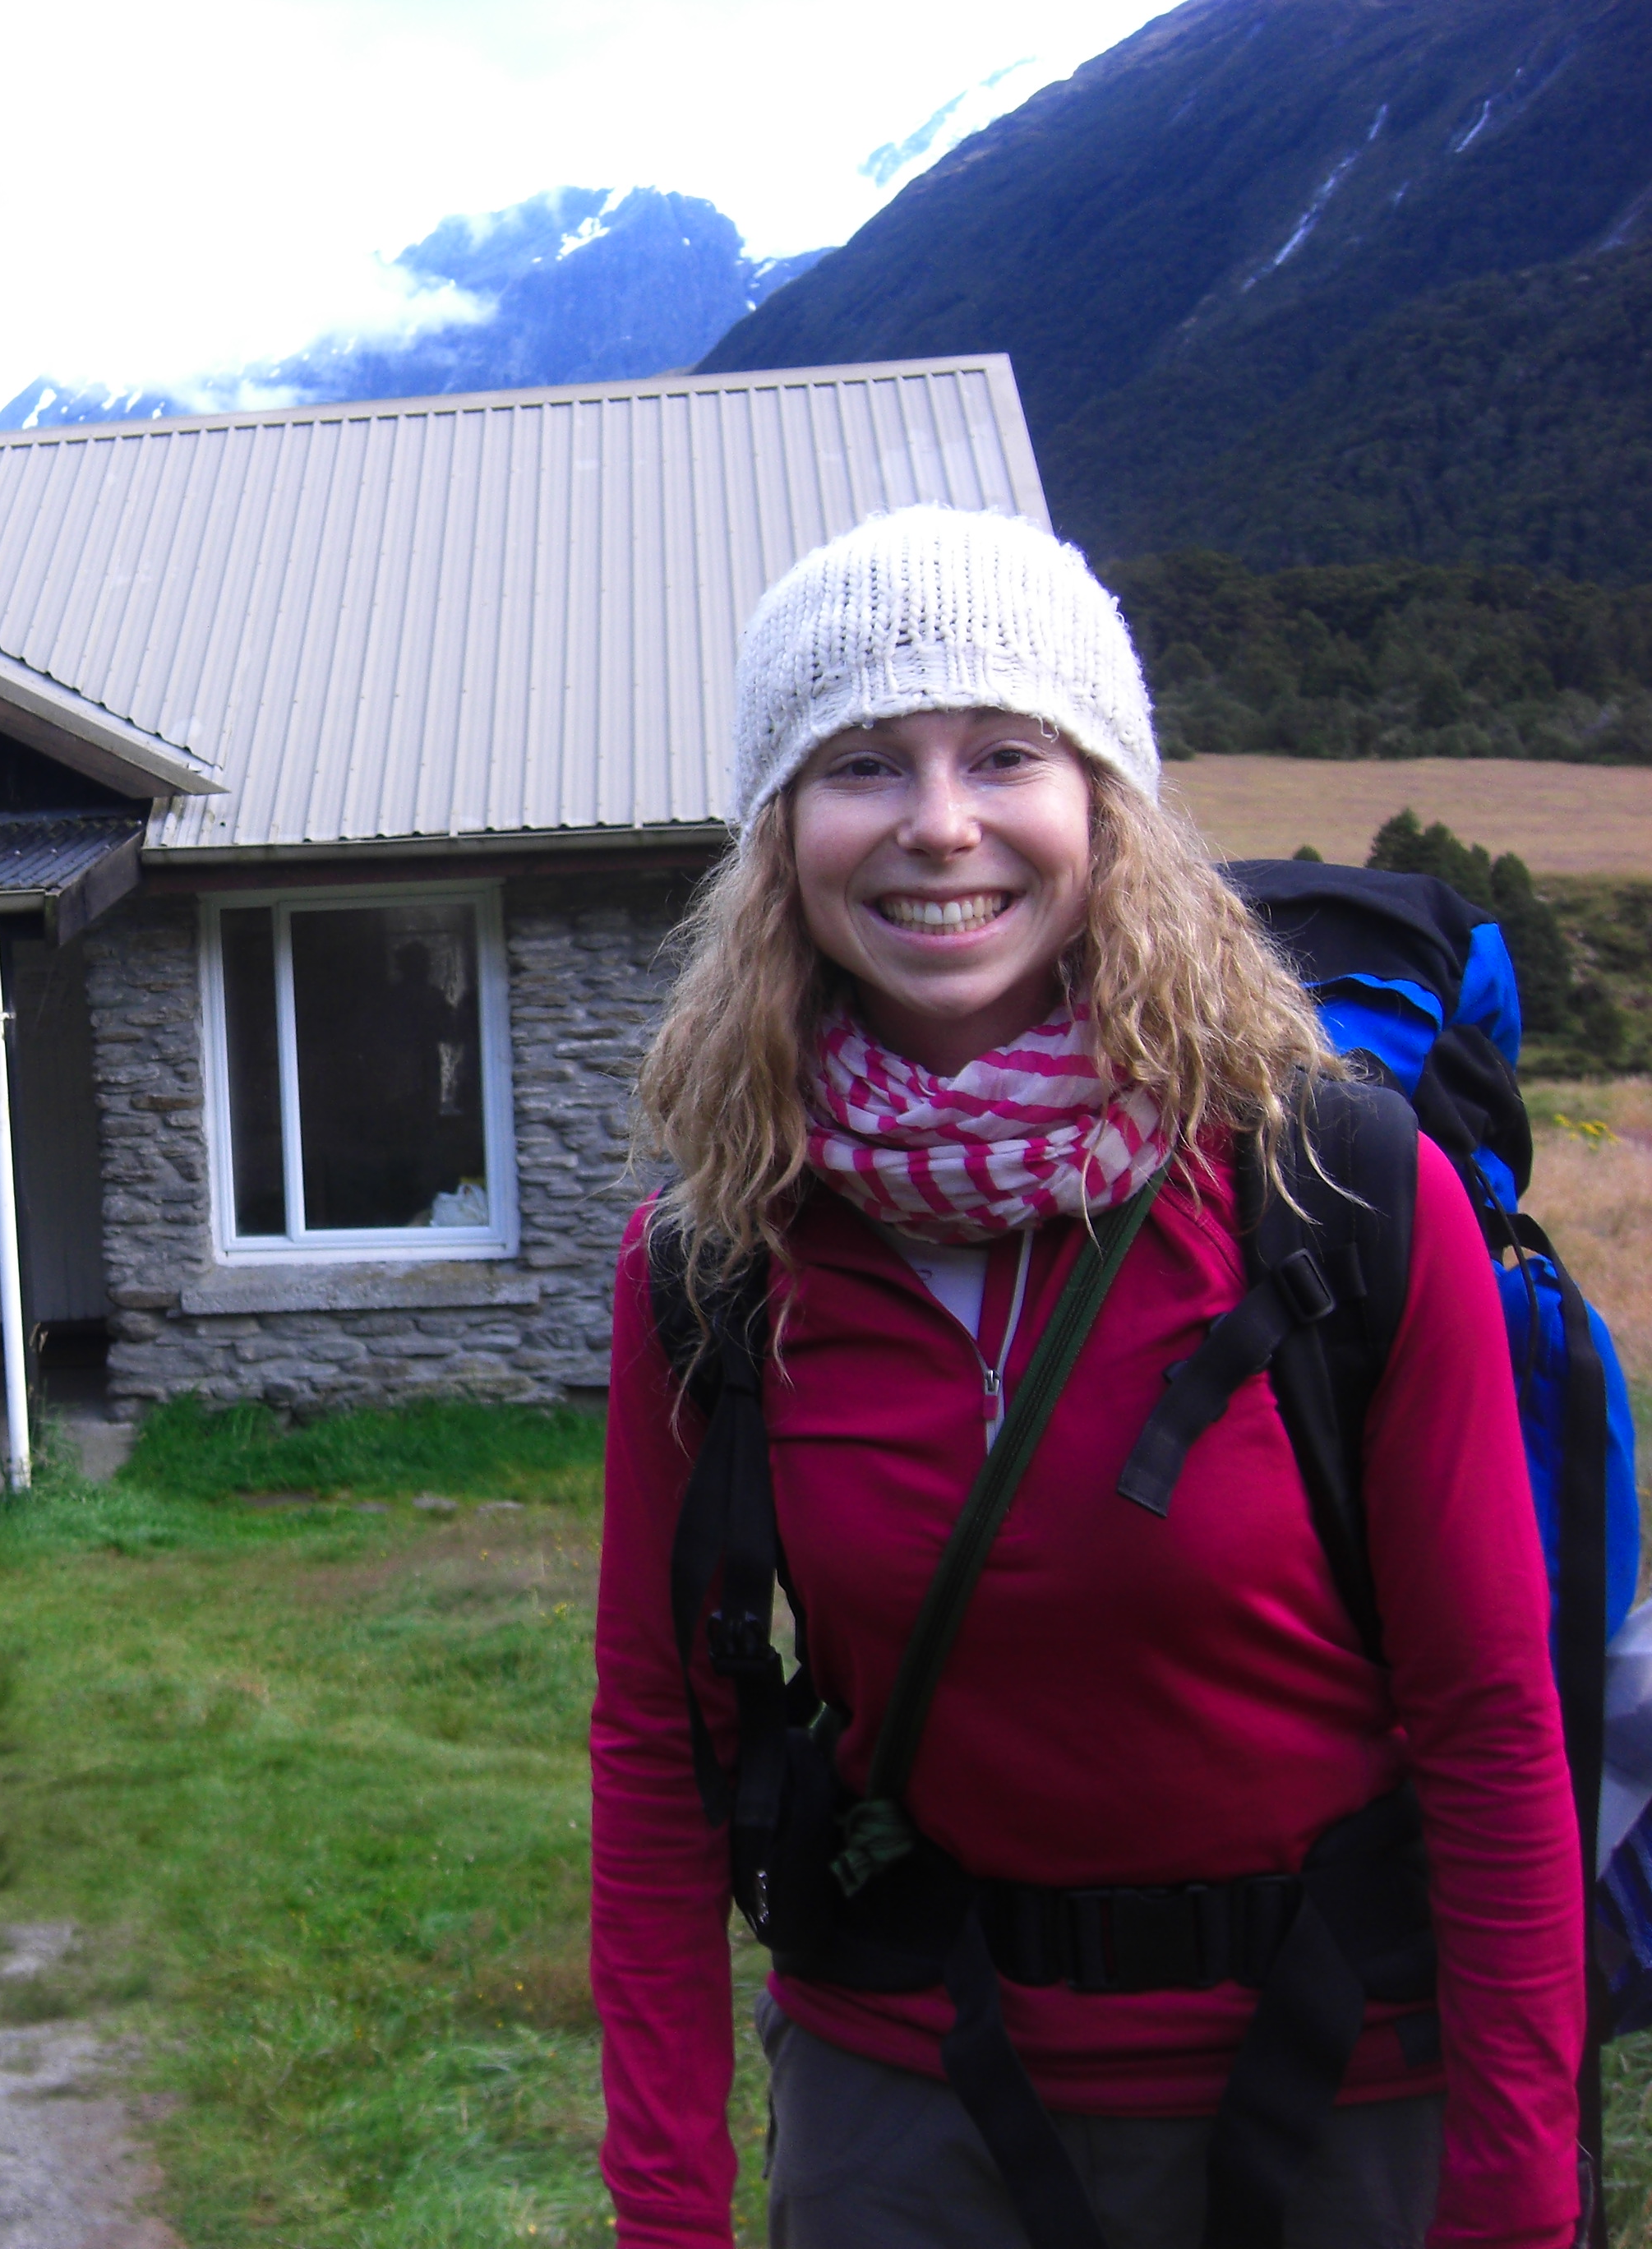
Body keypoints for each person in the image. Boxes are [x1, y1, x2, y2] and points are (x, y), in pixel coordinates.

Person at [591, 506, 1583, 2247]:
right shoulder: (714, 1257)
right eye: (863, 765)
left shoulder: (1335, 1193)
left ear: (1104, 806)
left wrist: (1513, 2197)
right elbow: (659, 1744)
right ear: (782, 840)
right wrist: (669, 2208)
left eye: (1005, 753)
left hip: (1343, 2085)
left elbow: (1496, 1727)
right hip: (911, 2102)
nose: (941, 825)